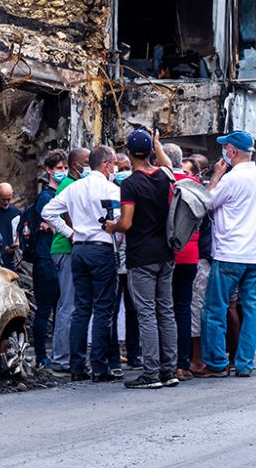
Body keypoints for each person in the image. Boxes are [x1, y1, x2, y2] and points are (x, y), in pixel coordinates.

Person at [195, 130, 256, 379]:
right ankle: (244, 363)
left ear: (233, 152)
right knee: (251, 311)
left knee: (215, 309)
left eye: (225, 147)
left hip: (230, 254)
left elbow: (205, 202)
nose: (223, 151)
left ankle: (216, 363)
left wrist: (216, 175)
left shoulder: (231, 179)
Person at [106, 130, 179, 389]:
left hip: (141, 255)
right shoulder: (164, 176)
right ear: (149, 152)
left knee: (146, 313)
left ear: (127, 152)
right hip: (166, 252)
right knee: (165, 311)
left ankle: (150, 372)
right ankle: (169, 370)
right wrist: (157, 144)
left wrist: (111, 226)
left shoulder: (130, 184)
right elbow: (168, 164)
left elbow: (126, 222)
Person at [43, 145, 120, 382]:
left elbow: (48, 212)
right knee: (103, 308)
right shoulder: (111, 190)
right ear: (106, 165)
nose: (115, 169)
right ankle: (99, 365)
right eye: (114, 164)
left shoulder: (74, 188)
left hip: (79, 249)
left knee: (81, 307)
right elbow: (119, 222)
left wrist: (70, 233)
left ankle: (77, 365)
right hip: (101, 248)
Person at [47, 147, 90, 375]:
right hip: (66, 249)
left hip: (68, 248)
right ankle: (62, 358)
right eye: (86, 161)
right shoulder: (70, 186)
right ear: (76, 165)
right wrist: (74, 236)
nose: (89, 164)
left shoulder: (75, 184)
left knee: (73, 304)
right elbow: (64, 216)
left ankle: (69, 354)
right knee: (68, 304)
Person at [164, 143, 200, 381]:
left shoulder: (161, 182)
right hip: (191, 252)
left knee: (164, 310)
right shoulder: (194, 185)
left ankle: (165, 362)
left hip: (166, 254)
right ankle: (182, 364)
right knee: (183, 308)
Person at [29, 150, 67, 369]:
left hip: (54, 256)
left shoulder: (58, 194)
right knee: (44, 308)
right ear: (49, 170)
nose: (62, 172)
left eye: (64, 168)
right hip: (45, 257)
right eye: (58, 168)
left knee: (57, 307)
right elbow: (52, 227)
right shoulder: (45, 198)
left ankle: (54, 353)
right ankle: (42, 356)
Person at [110, 153, 142, 370]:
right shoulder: (108, 193)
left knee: (133, 309)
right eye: (119, 168)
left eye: (126, 168)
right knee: (111, 309)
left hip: (131, 260)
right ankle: (112, 354)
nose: (123, 173)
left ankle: (133, 353)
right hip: (112, 260)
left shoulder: (135, 191)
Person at [0, 183, 22, 271]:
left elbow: (21, 231)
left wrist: (16, 243)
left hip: (10, 259)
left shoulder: (16, 213)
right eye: (3, 199)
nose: (6, 202)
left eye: (8, 199)